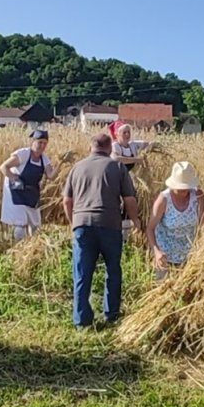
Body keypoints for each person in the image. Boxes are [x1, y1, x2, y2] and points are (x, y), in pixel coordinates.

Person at [63, 133, 140, 330]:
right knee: (113, 269)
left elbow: (67, 201)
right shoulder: (117, 167)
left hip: (82, 225)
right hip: (110, 225)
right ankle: (111, 314)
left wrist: (74, 222)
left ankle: (82, 320)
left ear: (91, 147)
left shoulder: (77, 167)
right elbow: (129, 199)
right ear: (109, 148)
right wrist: (136, 221)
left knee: (82, 273)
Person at [146, 161, 204, 280]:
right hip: (165, 256)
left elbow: (202, 225)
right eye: (180, 188)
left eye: (187, 187)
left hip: (190, 256)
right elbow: (150, 229)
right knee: (163, 287)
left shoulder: (198, 196)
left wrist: (203, 249)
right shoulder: (163, 199)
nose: (184, 191)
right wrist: (157, 252)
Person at [0, 129, 58, 241]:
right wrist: (14, 178)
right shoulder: (23, 154)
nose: (42, 146)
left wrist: (61, 163)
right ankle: (18, 246)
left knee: (35, 227)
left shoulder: (44, 159)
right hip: (17, 193)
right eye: (40, 142)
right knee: (20, 225)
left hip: (31, 193)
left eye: (45, 143)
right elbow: (4, 167)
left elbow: (51, 176)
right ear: (33, 141)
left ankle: (32, 246)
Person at [109, 120, 153, 241]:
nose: (127, 135)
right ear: (117, 134)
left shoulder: (133, 145)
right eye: (124, 132)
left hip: (130, 177)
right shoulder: (115, 146)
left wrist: (150, 148)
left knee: (133, 199)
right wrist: (137, 160)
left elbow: (149, 144)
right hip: (117, 177)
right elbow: (116, 158)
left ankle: (129, 231)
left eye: (128, 132)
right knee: (120, 201)